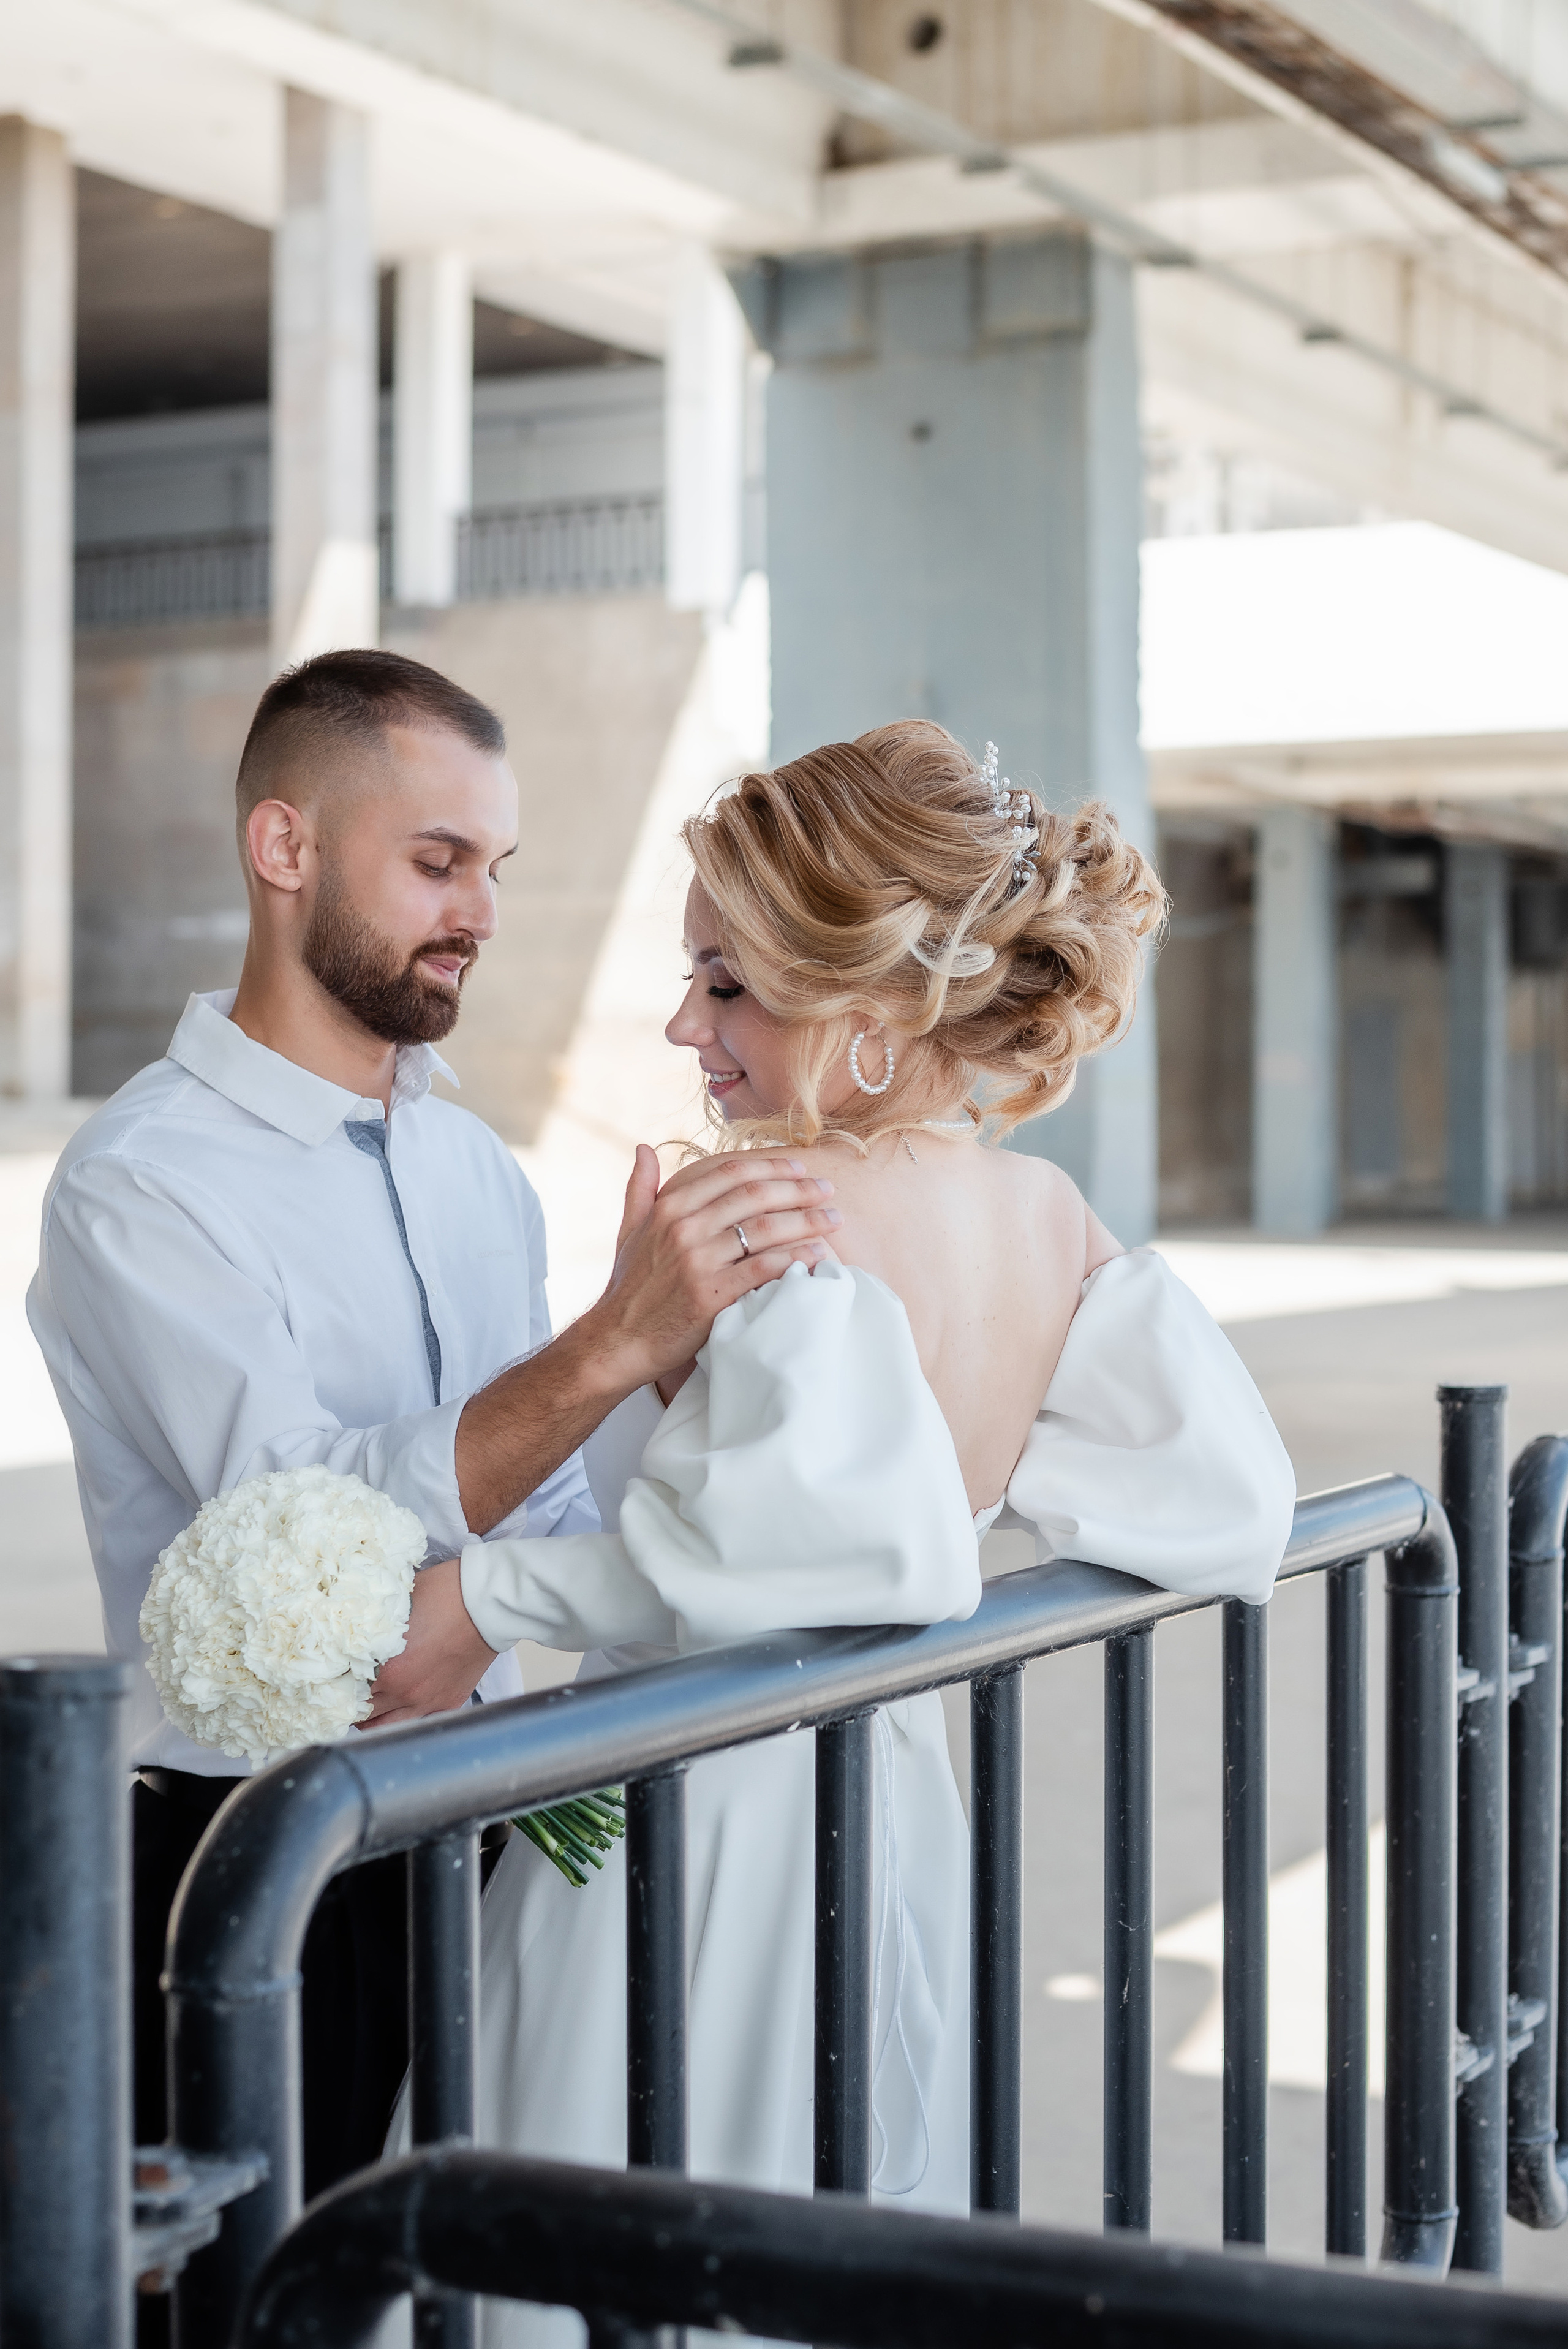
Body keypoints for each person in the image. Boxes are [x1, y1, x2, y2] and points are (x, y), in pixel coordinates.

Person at [372, 721, 1296, 2346]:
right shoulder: (1047, 1218)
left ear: (866, 1018)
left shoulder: (790, 1214)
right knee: (818, 2214)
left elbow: (778, 1559)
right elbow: (1228, 1495)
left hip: (708, 1818)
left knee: (596, 2210)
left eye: (725, 983)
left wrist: (487, 1587)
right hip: (886, 1802)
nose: (682, 1023)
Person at [25, 649, 838, 2244]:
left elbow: (557, 1499)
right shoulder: (140, 1182)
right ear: (286, 850)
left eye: (495, 869)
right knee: (269, 2300)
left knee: (464, 2281)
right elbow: (301, 1529)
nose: (479, 908)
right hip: (260, 1872)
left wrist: (712, 1392)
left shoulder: (481, 1171)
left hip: (500, 1823)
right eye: (437, 861)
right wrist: (610, 1339)